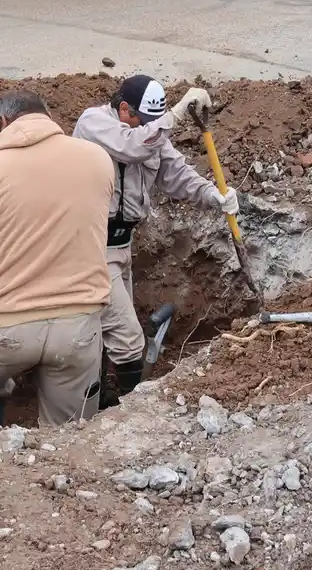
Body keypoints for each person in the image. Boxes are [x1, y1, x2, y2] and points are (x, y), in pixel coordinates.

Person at [0, 90, 115, 427]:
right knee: (69, 432)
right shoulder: (98, 159)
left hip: (6, 326)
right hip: (77, 327)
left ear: (3, 122)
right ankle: (60, 459)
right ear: (48, 117)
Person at [73, 75, 235, 406]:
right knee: (129, 341)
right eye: (144, 121)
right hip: (90, 247)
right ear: (124, 109)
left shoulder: (149, 134)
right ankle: (127, 410)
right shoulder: (94, 123)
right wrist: (174, 115)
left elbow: (176, 174)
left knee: (104, 329)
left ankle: (101, 399)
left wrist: (213, 196)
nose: (151, 129)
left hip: (121, 246)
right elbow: (133, 146)